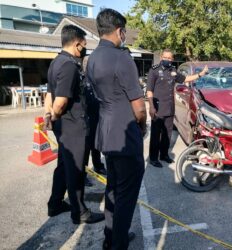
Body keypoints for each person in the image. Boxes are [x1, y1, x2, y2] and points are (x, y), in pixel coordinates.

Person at [86, 9, 147, 250]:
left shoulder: (92, 59)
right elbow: (139, 107)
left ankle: (110, 237)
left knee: (113, 188)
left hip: (105, 131)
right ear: (120, 31)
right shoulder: (122, 58)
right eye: (125, 32)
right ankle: (118, 243)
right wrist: (142, 127)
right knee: (126, 195)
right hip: (124, 133)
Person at [44, 24, 104, 225]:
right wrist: (54, 113)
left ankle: (55, 204)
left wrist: (48, 114)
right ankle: (80, 212)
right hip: (73, 128)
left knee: (64, 166)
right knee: (76, 170)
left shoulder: (56, 62)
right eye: (84, 45)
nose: (85, 48)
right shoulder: (69, 65)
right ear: (77, 44)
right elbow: (59, 101)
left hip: (64, 127)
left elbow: (49, 93)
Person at [147, 49, 208, 168]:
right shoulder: (154, 71)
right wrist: (151, 106)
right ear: (161, 57)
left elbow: (185, 79)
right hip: (158, 107)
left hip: (170, 108)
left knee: (167, 134)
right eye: (166, 58)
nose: (168, 60)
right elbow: (149, 90)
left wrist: (200, 74)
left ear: (172, 59)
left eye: (170, 58)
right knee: (155, 135)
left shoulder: (173, 70)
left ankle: (163, 155)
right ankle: (153, 158)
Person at [82, 56, 107, 177]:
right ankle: (84, 173)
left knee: (96, 144)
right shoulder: (81, 79)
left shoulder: (98, 80)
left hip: (98, 117)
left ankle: (98, 166)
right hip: (86, 119)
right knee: (85, 149)